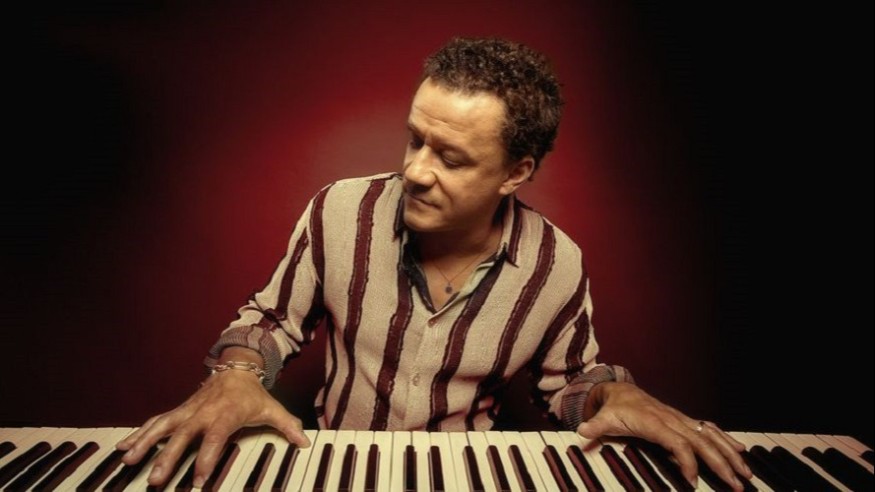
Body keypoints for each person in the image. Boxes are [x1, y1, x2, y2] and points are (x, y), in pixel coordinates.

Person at [116, 37, 753, 490]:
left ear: (516, 172)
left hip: (468, 475)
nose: (416, 171)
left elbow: (569, 385)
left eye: (450, 158)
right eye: (415, 139)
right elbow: (271, 322)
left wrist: (615, 393)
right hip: (337, 467)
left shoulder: (557, 262)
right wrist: (236, 374)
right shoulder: (339, 211)